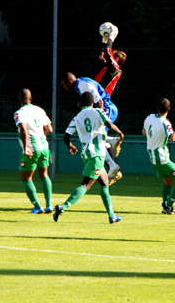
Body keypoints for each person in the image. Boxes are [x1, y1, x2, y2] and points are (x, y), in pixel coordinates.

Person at [53, 92, 124, 224]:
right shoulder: (98, 112)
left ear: (81, 103)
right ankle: (63, 207)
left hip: (87, 155)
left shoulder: (77, 117)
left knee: (104, 183)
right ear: (93, 102)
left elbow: (65, 137)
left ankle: (111, 215)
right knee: (85, 185)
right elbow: (109, 125)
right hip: (97, 156)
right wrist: (120, 133)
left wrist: (70, 146)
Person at [61, 72, 122, 185]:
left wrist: (99, 114)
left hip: (108, 109)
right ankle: (112, 143)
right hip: (108, 108)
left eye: (65, 85)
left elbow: (99, 101)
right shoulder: (82, 83)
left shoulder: (82, 85)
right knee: (97, 137)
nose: (65, 88)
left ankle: (113, 164)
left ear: (70, 82)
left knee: (95, 136)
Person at [142, 98, 175, 215]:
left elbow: (144, 132)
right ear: (169, 109)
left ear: (157, 108)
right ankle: (168, 204)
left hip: (153, 158)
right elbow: (172, 138)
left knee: (168, 182)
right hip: (162, 159)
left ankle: (166, 208)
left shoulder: (149, 117)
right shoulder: (165, 122)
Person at [14, 89, 53, 214]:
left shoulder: (19, 113)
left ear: (19, 100)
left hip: (31, 149)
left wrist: (26, 148)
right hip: (44, 148)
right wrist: (39, 135)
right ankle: (49, 205)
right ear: (31, 99)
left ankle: (37, 207)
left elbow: (23, 129)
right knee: (44, 175)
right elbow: (49, 129)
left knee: (26, 178)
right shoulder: (40, 110)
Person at [94, 22, 127, 98]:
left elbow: (108, 53)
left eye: (113, 54)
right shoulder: (108, 67)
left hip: (102, 98)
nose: (110, 55)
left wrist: (111, 38)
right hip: (95, 95)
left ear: (116, 59)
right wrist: (104, 41)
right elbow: (99, 57)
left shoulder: (115, 69)